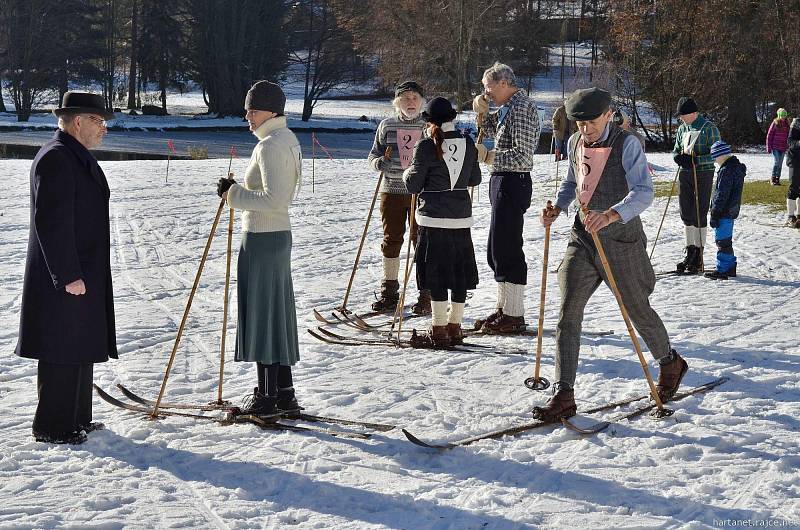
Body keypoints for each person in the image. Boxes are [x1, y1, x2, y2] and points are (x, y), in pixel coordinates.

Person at [534, 87, 687, 421]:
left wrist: (612, 214)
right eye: (578, 123)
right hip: (583, 238)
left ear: (608, 114)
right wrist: (558, 208)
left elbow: (644, 193)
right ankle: (563, 393)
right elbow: (575, 182)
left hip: (620, 239)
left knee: (637, 308)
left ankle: (670, 362)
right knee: (567, 312)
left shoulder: (627, 143)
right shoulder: (575, 142)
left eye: (590, 122)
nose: (584, 129)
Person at [16, 92, 118, 444]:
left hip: (83, 270)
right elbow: (52, 223)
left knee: (80, 341)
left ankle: (76, 418)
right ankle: (52, 425)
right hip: (63, 274)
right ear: (79, 121)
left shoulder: (75, 156)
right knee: (61, 344)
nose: (104, 128)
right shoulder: (56, 158)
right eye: (99, 121)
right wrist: (68, 274)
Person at [217, 81, 302, 417]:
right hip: (275, 237)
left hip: (264, 239)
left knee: (264, 314)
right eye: (247, 109)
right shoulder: (286, 139)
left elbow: (273, 199)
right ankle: (284, 392)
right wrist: (235, 191)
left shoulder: (270, 145)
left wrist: (233, 194)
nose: (247, 115)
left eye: (253, 109)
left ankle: (266, 398)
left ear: (271, 111)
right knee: (275, 314)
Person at [403, 97, 481, 348]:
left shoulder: (425, 145)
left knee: (435, 274)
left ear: (429, 122)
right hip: (460, 218)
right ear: (452, 119)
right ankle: (454, 326)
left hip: (433, 219)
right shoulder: (468, 142)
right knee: (458, 274)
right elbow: (475, 179)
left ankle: (438, 328)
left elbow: (413, 184)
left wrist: (407, 173)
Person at [472, 62, 540, 334]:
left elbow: (523, 155)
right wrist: (482, 112)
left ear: (504, 83)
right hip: (501, 178)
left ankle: (514, 314)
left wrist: (489, 156)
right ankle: (503, 308)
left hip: (514, 180)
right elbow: (490, 131)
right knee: (495, 248)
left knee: (508, 247)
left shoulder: (522, 108)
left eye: (489, 88)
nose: (487, 93)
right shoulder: (507, 108)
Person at [367, 81, 431, 315]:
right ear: (397, 102)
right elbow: (373, 154)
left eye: (415, 97)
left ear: (422, 101)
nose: (410, 102)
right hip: (391, 190)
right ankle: (389, 292)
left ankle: (426, 294)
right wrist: (378, 163)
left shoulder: (428, 126)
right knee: (391, 239)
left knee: (420, 242)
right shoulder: (387, 125)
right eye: (405, 98)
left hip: (420, 193)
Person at [672, 97, 721, 274]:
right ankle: (690, 250)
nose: (681, 119)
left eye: (683, 115)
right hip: (685, 173)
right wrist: (678, 157)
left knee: (699, 211)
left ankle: (699, 255)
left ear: (693, 113)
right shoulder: (682, 129)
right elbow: (676, 149)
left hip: (703, 172)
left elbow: (717, 154)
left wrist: (696, 159)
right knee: (686, 210)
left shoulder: (709, 128)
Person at [704, 140, 745, 280]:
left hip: (724, 212)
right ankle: (730, 266)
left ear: (721, 155)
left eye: (715, 157)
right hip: (730, 211)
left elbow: (722, 194)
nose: (715, 161)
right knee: (725, 239)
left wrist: (715, 212)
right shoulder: (734, 167)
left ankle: (724, 269)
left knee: (722, 241)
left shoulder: (727, 170)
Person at [766, 108, 790, 186]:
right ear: (779, 116)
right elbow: (769, 135)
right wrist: (768, 147)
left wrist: (789, 145)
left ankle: (777, 179)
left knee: (780, 163)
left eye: (784, 116)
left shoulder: (787, 124)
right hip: (775, 147)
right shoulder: (775, 123)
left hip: (783, 147)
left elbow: (789, 136)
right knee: (777, 162)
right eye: (782, 116)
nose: (783, 118)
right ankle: (772, 178)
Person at [784, 118, 800, 227]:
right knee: (794, 186)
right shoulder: (796, 122)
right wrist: (799, 143)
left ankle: (799, 215)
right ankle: (790, 216)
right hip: (795, 159)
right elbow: (790, 141)